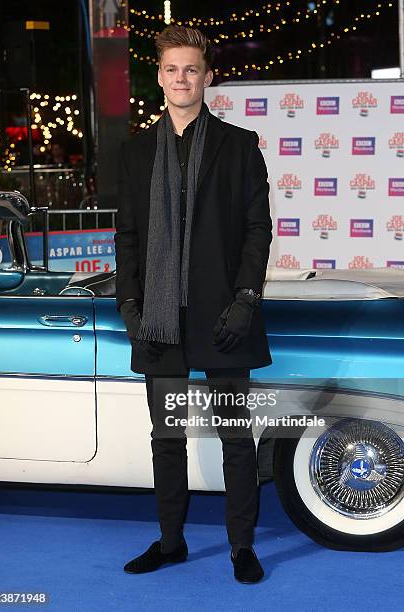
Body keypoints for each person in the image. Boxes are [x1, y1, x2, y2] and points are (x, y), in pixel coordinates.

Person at [115, 24, 272, 584]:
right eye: (171, 69)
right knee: (166, 438)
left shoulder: (239, 145)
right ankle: (171, 542)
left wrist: (246, 301)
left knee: (235, 437)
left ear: (208, 76)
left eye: (191, 69)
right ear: (159, 77)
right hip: (159, 317)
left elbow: (258, 230)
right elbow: (128, 237)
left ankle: (241, 547)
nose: (181, 79)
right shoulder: (135, 153)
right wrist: (130, 305)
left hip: (225, 313)